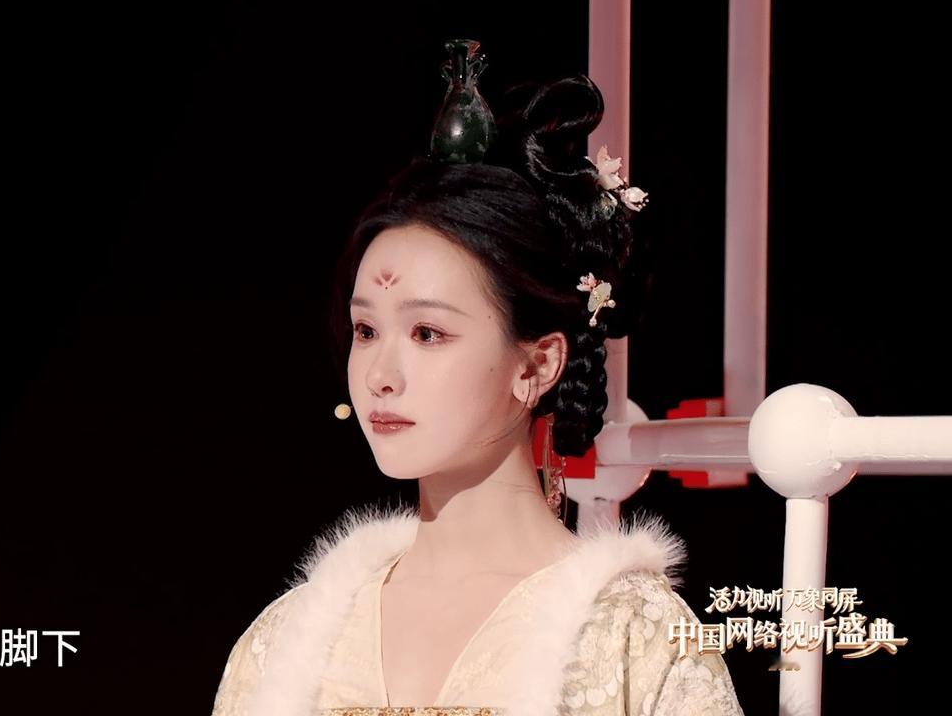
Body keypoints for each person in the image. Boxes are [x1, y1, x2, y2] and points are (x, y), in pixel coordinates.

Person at [211, 39, 745, 716]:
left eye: (427, 333)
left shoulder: (634, 640)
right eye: (366, 331)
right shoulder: (288, 642)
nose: (380, 375)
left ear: (537, 364)